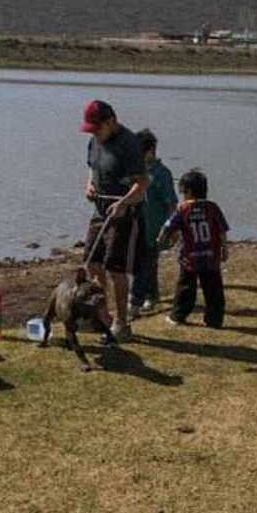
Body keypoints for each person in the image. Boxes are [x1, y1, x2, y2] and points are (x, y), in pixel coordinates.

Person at [81, 99, 150, 343]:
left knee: (115, 269)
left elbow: (142, 184)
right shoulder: (94, 141)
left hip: (124, 216)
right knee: (93, 264)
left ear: (111, 121)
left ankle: (122, 323)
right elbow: (92, 168)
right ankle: (103, 316)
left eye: (97, 128)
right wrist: (90, 186)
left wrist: (123, 204)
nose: (94, 134)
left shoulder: (128, 144)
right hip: (99, 212)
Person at [157, 169, 230, 328]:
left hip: (190, 257)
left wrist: (161, 240)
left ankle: (178, 316)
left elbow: (167, 227)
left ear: (188, 191)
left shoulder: (183, 209)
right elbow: (222, 230)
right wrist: (225, 249)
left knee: (186, 288)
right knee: (214, 289)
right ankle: (215, 320)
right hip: (211, 256)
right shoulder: (212, 207)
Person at [129, 128, 178, 317]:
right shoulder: (135, 171)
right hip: (137, 226)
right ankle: (152, 294)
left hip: (155, 228)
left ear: (150, 151)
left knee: (147, 263)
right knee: (142, 263)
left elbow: (171, 203)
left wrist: (172, 229)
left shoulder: (162, 174)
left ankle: (138, 300)